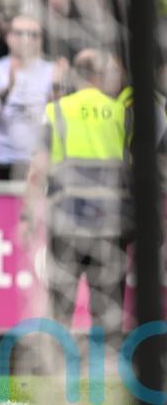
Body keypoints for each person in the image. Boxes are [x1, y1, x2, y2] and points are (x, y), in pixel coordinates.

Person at [26, 49, 129, 357]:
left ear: (77, 75)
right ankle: (109, 360)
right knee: (109, 297)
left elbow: (38, 168)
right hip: (110, 221)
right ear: (102, 75)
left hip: (67, 218)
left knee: (62, 296)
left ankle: (56, 359)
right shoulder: (122, 112)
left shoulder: (57, 110)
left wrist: (27, 215)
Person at [0, 16, 56, 179]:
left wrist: (57, 93)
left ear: (41, 40)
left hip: (39, 162)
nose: (26, 39)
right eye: (20, 33)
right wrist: (9, 87)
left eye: (33, 35)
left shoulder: (53, 72)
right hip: (0, 159)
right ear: (8, 37)